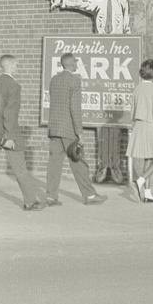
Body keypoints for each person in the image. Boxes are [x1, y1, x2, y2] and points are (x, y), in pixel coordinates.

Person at [45, 0, 130, 185]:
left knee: (118, 120)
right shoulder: (99, 0)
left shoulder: (123, 2)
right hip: (103, 64)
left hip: (118, 66)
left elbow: (128, 33)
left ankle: (116, 166)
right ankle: (104, 166)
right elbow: (81, 1)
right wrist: (62, 0)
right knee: (104, 122)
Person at [0, 55, 43, 211]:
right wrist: (8, 137)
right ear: (11, 65)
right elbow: (10, 114)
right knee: (20, 167)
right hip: (8, 134)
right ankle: (30, 201)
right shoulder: (14, 86)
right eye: (16, 65)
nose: (17, 68)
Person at [46, 53, 107, 205]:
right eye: (75, 62)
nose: (77, 64)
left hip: (54, 128)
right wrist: (80, 133)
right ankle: (90, 196)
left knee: (54, 164)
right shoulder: (74, 81)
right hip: (68, 129)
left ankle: (51, 197)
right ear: (71, 64)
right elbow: (75, 109)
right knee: (78, 162)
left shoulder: (54, 80)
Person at [126, 59, 153, 203]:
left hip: (138, 125)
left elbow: (132, 110)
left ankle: (147, 193)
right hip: (151, 126)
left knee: (146, 160)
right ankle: (141, 181)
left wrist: (133, 124)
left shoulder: (137, 88)